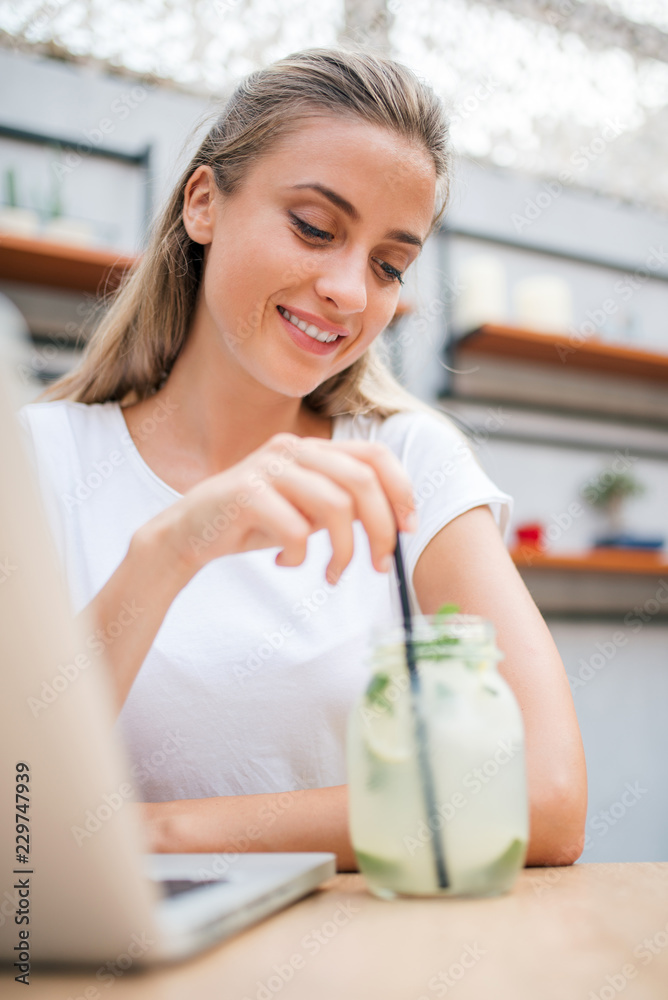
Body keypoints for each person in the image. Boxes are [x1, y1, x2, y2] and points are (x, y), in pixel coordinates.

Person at [17, 46, 586, 870]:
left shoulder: (410, 461)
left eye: (390, 264)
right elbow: (14, 801)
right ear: (204, 204)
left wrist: (163, 834)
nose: (352, 293)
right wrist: (170, 550)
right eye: (316, 229)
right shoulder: (42, 461)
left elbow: (546, 796)